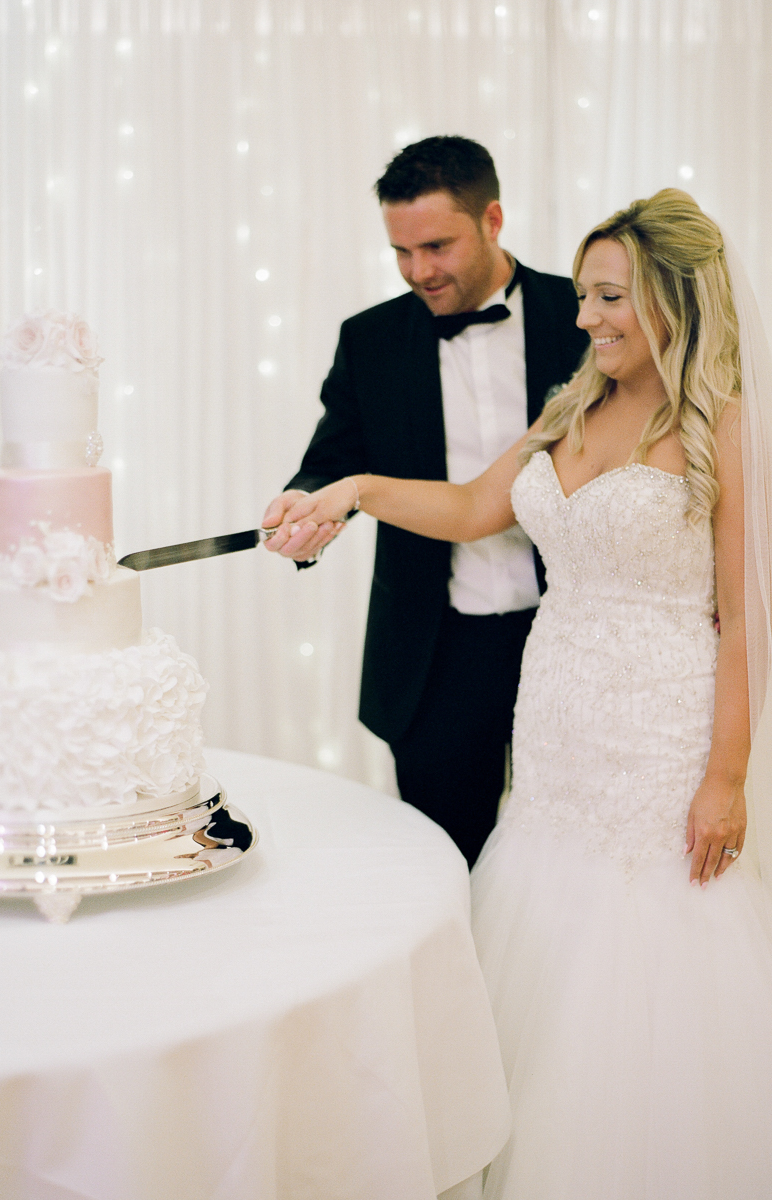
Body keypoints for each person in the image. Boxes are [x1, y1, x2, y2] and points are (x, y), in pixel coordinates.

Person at [266, 189, 772, 1197]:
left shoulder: (725, 425)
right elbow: (465, 509)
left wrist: (725, 775)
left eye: (608, 297)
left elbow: (742, 619)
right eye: (584, 296)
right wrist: (356, 491)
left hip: (658, 730)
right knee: (539, 918)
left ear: (674, 299)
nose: (585, 318)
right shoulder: (574, 405)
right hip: (554, 730)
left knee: (644, 948)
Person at [263, 137, 587, 866]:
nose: (419, 271)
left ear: (493, 219)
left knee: (572, 863)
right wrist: (306, 506)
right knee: (446, 865)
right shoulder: (370, 340)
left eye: (436, 246)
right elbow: (330, 464)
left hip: (570, 630)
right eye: (401, 252)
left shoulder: (584, 315)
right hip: (435, 651)